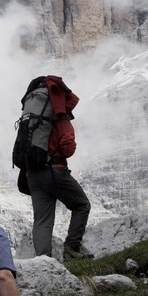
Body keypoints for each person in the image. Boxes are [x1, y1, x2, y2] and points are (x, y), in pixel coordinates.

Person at [21, 76, 93, 259]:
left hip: (32, 173)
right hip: (54, 171)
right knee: (82, 205)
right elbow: (68, 149)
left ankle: (43, 260)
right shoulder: (61, 120)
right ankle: (72, 247)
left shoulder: (32, 121)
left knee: (42, 220)